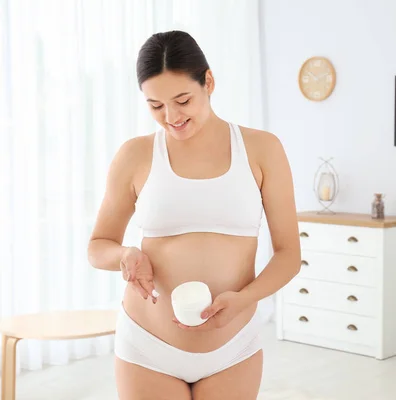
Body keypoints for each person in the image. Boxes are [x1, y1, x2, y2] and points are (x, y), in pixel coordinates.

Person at [87, 30, 301, 399]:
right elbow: (97, 246)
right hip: (147, 347)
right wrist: (125, 255)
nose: (171, 117)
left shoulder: (262, 149)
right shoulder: (134, 156)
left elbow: (289, 255)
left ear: (209, 82)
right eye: (155, 106)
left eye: (182, 100)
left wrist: (244, 300)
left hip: (233, 347)